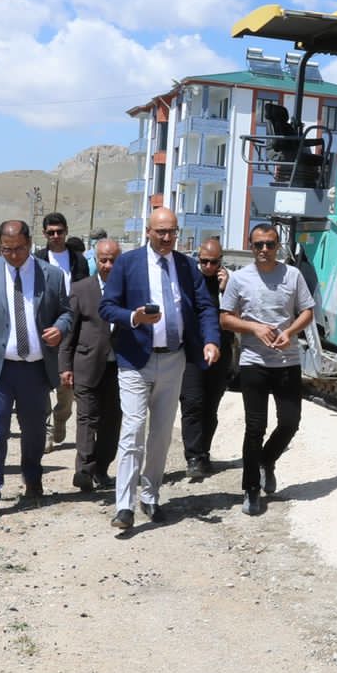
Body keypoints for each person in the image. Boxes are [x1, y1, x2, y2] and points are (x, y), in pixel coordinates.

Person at [99, 207, 220, 531]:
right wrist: (135, 317)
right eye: (161, 232)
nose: (167, 238)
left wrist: (210, 340)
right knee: (133, 430)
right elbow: (107, 306)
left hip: (174, 359)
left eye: (172, 232)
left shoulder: (185, 266)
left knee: (162, 434)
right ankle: (124, 505)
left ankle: (150, 495)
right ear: (148, 232)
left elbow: (206, 306)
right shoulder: (128, 263)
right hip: (135, 359)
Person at [0, 221, 71, 523]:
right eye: (7, 250)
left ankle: (32, 478)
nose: (14, 255)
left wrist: (60, 328)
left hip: (34, 369)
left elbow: (67, 312)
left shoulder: (52, 275)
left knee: (33, 431)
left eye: (19, 249)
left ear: (30, 243)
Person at [218, 223, 315, 515]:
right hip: (253, 363)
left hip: (287, 362)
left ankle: (267, 459)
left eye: (270, 244)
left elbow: (308, 311)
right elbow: (225, 319)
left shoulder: (293, 275)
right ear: (251, 246)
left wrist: (291, 332)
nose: (264, 250)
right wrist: (254, 328)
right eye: (259, 244)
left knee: (290, 421)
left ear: (278, 246)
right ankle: (250, 489)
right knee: (254, 427)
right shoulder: (239, 280)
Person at [61, 237, 122, 492]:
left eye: (112, 260)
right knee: (87, 417)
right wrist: (65, 366)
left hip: (119, 367)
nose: (107, 265)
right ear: (95, 260)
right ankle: (84, 469)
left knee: (112, 421)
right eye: (103, 260)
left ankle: (102, 468)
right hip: (86, 363)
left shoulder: (128, 289)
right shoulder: (81, 289)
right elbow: (69, 331)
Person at [179, 236, 235, 481]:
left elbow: (237, 317)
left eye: (213, 262)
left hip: (220, 354)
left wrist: (226, 291)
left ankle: (203, 453)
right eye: (204, 261)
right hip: (192, 353)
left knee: (210, 407)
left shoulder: (230, 286)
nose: (208, 267)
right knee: (192, 403)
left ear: (220, 262)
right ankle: (192, 456)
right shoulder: (191, 281)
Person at [40, 213, 91, 448]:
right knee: (40, 383)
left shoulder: (78, 260)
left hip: (71, 327)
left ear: (66, 231)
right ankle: (46, 429)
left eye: (59, 231)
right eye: (51, 232)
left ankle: (60, 418)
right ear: (44, 234)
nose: (56, 236)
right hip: (44, 328)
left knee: (66, 385)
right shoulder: (37, 259)